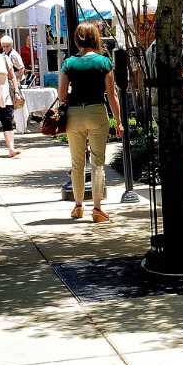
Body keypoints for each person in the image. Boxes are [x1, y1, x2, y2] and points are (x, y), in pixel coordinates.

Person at [59, 22, 121, 221]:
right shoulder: (104, 62)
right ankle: (97, 208)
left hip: (75, 113)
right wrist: (118, 121)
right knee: (98, 162)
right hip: (96, 111)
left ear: (77, 39)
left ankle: (78, 206)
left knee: (77, 163)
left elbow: (61, 95)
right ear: (96, 38)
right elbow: (112, 95)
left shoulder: (69, 63)